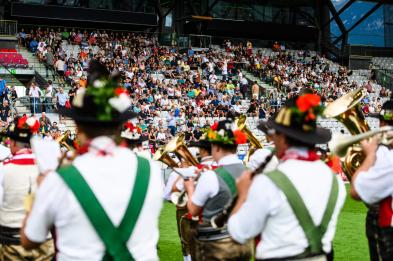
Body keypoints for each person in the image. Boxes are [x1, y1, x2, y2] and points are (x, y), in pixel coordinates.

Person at [20, 61, 163, 260]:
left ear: (77, 127)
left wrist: (39, 190)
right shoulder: (152, 171)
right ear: (121, 124)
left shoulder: (58, 179)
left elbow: (29, 240)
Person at [228, 93, 346, 260]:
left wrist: (243, 194)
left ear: (282, 137)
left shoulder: (268, 182)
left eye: (275, 134)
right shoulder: (335, 181)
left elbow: (239, 232)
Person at [184, 119, 253, 261]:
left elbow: (193, 210)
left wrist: (190, 188)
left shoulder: (210, 176)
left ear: (216, 147)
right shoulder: (251, 172)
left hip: (217, 245)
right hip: (244, 243)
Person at [0, 115, 55, 260]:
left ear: (12, 143)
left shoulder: (3, 168)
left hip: (12, 242)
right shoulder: (49, 168)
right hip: (44, 240)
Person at [350, 100, 393, 261]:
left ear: (382, 123)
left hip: (387, 226)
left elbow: (355, 192)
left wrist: (369, 156)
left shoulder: (387, 157)